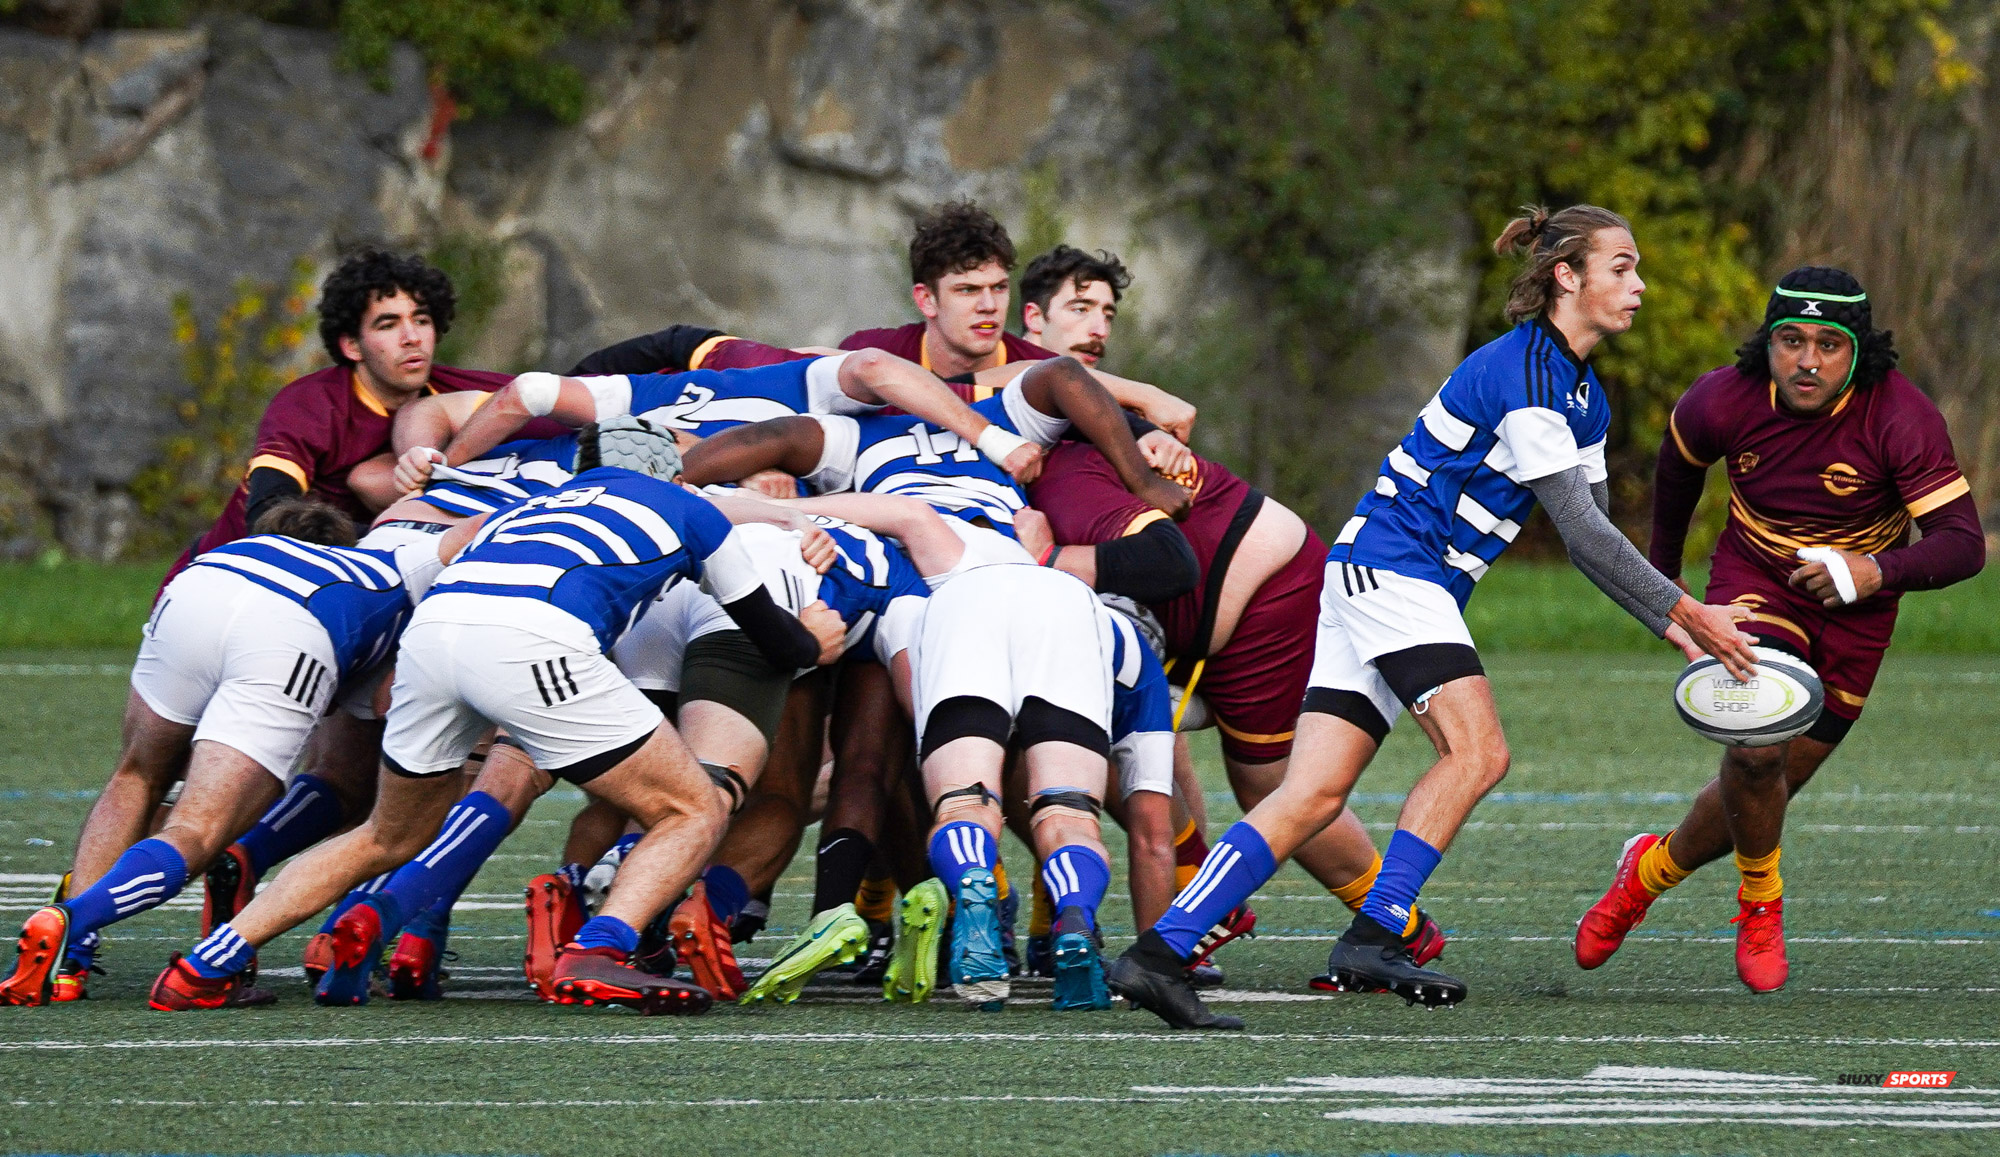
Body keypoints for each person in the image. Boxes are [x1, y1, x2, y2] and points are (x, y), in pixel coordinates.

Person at [1105, 203, 1760, 1029]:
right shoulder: (1524, 373)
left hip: (1379, 577)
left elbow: (1594, 535)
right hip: (1394, 570)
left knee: (1309, 794)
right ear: (1568, 276)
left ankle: (1159, 952)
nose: (1640, 284)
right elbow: (1587, 534)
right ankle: (1377, 932)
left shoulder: (1582, 394)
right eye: (1622, 266)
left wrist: (1674, 625)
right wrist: (1692, 611)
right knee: (1478, 751)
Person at [146, 420, 845, 1012]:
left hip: (435, 634)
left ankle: (206, 963)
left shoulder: (532, 505)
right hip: (530, 636)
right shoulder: (693, 508)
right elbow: (772, 638)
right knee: (694, 806)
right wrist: (813, 632)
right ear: (675, 474)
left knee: (385, 837)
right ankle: (600, 949)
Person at [1575, 266, 1986, 992]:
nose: (1806, 359)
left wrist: (1873, 572)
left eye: (1828, 345)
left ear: (1858, 352)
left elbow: (1962, 542)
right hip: (1755, 583)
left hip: (1859, 615)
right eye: (1791, 339)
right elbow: (1678, 471)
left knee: (1768, 783)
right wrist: (1667, 587)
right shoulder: (1723, 399)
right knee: (1758, 749)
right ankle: (1761, 901)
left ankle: (1648, 869)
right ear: (1768, 341)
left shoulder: (1901, 417)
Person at [1, 500, 454, 1005]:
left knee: (137, 776)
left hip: (198, 588)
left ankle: (69, 963)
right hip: (292, 624)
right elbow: (475, 534)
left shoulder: (241, 545)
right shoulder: (392, 564)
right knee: (199, 830)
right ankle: (72, 918)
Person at [162, 250, 524, 585]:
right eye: (388, 325)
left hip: (352, 585)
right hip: (221, 580)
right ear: (351, 345)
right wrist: (405, 533)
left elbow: (571, 393)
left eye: (422, 320)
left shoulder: (464, 391)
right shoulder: (311, 406)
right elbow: (270, 514)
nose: (411, 337)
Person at [841, 201, 1059, 378]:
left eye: (999, 288)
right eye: (967, 290)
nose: (989, 306)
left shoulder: (1046, 377)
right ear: (926, 299)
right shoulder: (866, 357)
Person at [1019, 245, 1131, 367]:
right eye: (1080, 310)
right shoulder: (998, 380)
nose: (1101, 331)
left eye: (1107, 317)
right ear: (1034, 317)